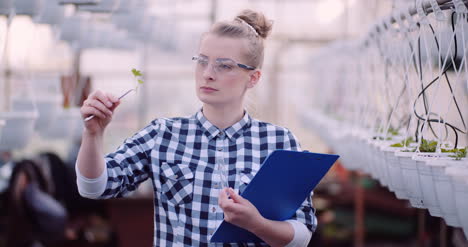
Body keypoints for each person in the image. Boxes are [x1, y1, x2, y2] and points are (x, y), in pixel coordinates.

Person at [76, 9, 316, 247]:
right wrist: (93, 135)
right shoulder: (163, 134)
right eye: (202, 61)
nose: (208, 74)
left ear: (253, 78)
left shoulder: (279, 142)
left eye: (224, 66)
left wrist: (256, 224)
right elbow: (95, 187)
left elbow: (301, 235)